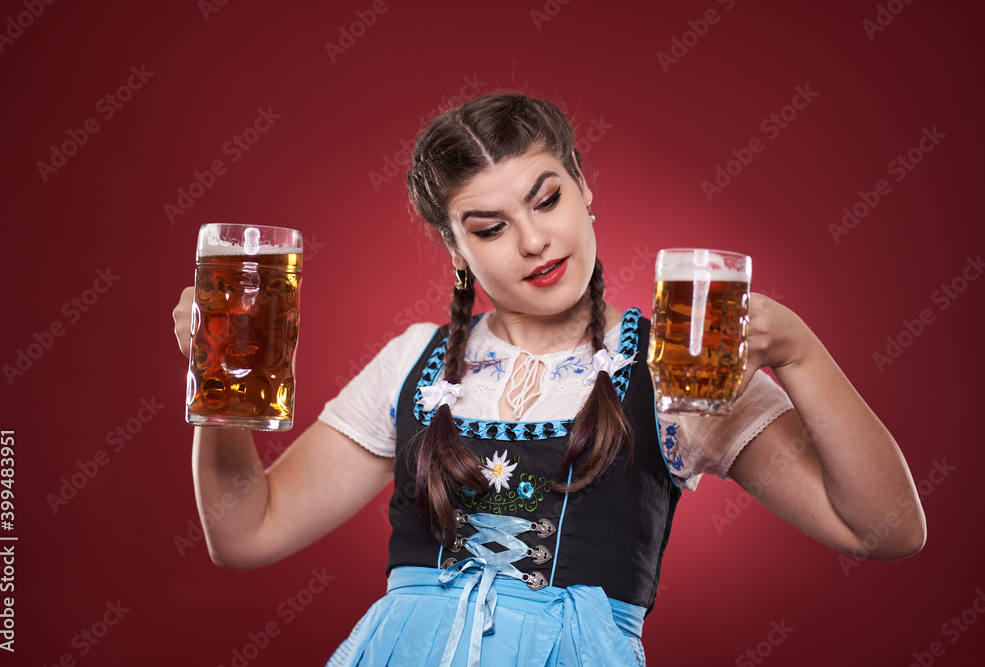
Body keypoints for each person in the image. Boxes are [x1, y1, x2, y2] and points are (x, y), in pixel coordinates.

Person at [172, 92, 926, 666]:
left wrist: (801, 354)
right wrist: (217, 384)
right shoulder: (413, 361)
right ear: (455, 248)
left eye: (547, 197)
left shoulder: (677, 367)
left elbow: (884, 529)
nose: (534, 240)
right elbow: (245, 531)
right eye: (489, 226)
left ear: (584, 188)